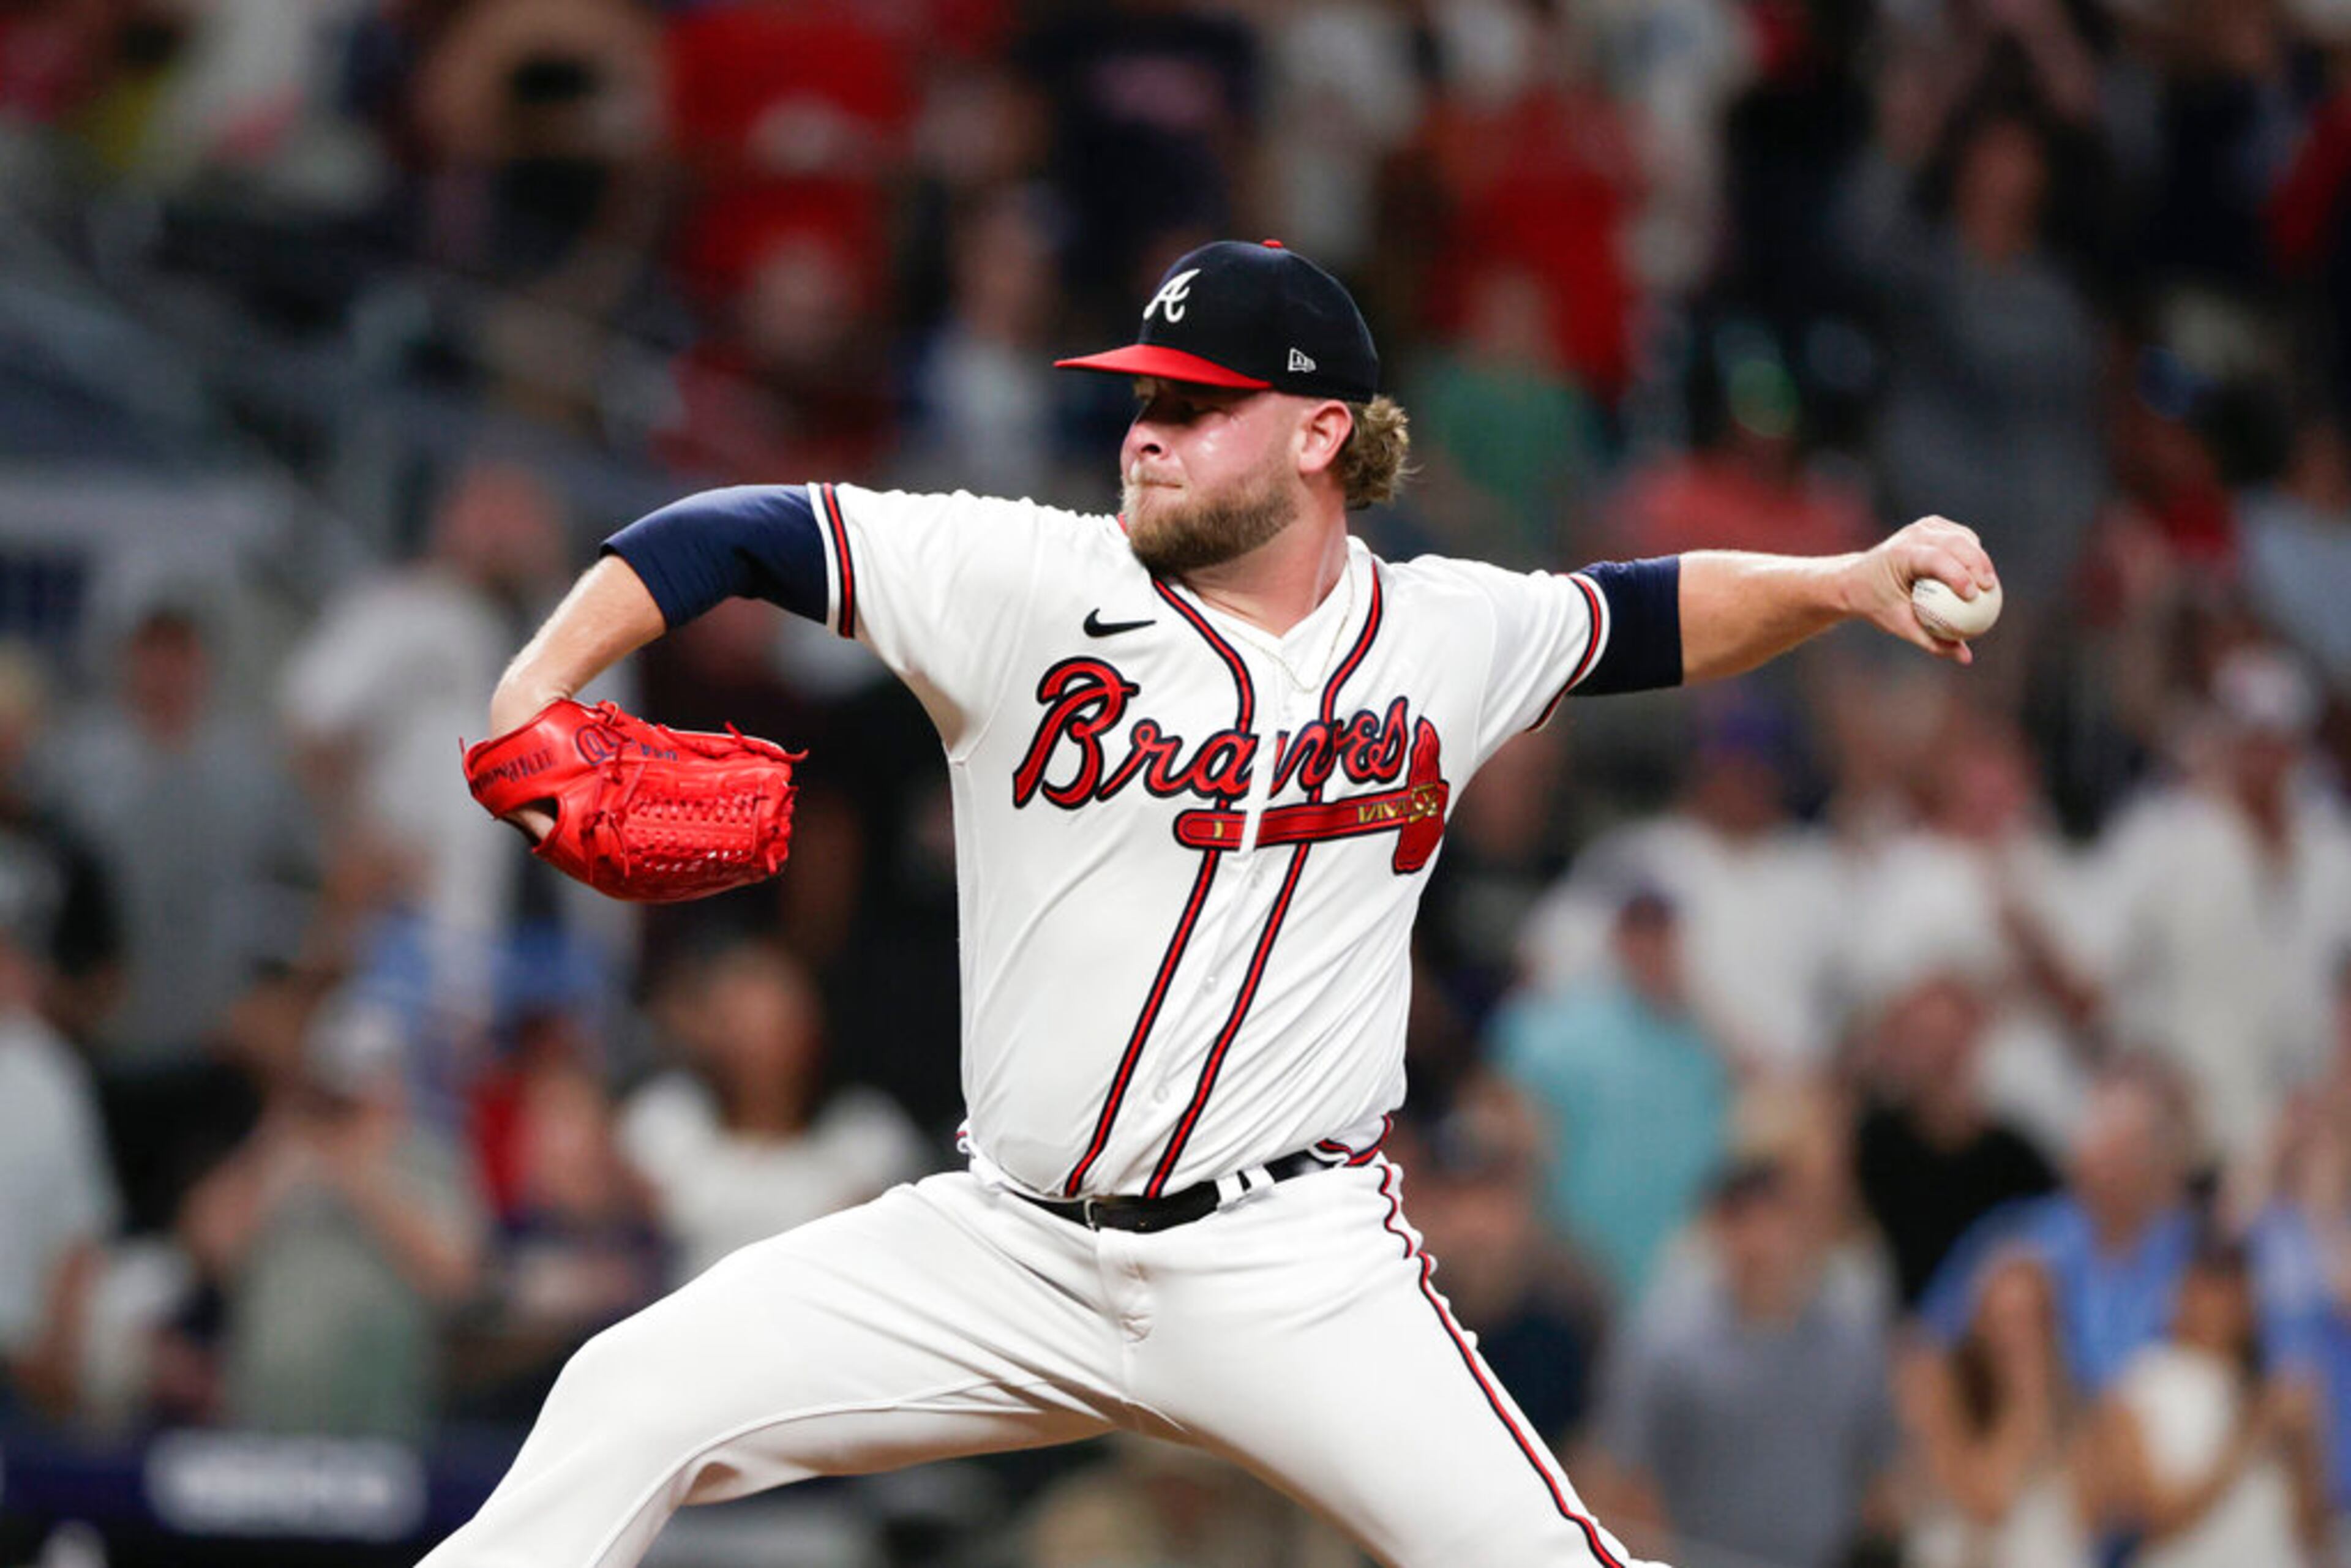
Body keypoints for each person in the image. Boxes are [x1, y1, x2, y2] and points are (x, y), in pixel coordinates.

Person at [422, 238, 1998, 1568]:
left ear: (1321, 433)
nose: (1145, 434)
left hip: (1293, 1269)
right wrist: (535, 680)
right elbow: (735, 533)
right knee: (629, 1396)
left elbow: (1641, 617)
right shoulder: (1028, 583)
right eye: (1139, 403)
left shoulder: (1444, 632)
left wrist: (1843, 580)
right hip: (1010, 1252)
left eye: (1193, 406)